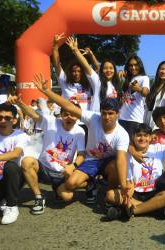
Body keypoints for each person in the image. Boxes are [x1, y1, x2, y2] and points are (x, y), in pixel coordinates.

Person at [32, 74, 130, 205]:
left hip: (108, 163)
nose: (107, 117)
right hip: (91, 160)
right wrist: (46, 91)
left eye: (111, 113)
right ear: (100, 113)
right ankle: (92, 183)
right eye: (104, 113)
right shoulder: (93, 118)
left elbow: (122, 159)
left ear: (117, 114)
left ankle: (109, 193)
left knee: (115, 167)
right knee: (71, 184)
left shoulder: (122, 134)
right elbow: (69, 106)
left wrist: (123, 185)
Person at [8, 94, 85, 215]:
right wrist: (19, 103)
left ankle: (58, 189)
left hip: (62, 171)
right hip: (43, 167)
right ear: (61, 115)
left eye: (73, 114)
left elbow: (81, 154)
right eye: (66, 114)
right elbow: (34, 115)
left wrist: (73, 166)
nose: (69, 117)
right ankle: (38, 197)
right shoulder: (51, 121)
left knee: (67, 196)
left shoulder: (79, 131)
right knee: (27, 162)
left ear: (78, 117)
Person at [105, 122, 165, 220]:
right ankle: (154, 208)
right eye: (139, 136)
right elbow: (129, 184)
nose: (142, 139)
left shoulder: (158, 148)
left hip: (154, 193)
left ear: (150, 138)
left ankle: (132, 211)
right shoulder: (127, 154)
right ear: (133, 137)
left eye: (145, 135)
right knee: (110, 195)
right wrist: (128, 197)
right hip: (135, 193)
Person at [51, 34, 93, 112]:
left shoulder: (88, 84)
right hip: (71, 122)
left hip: (87, 122)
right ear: (70, 73)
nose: (76, 73)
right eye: (73, 71)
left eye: (79, 71)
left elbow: (95, 69)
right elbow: (57, 65)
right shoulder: (65, 82)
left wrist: (91, 55)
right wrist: (55, 46)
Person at [119, 55, 150, 136]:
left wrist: (138, 89)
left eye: (136, 65)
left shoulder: (144, 78)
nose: (133, 67)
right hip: (121, 118)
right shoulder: (128, 79)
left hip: (134, 120)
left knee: (131, 146)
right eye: (131, 65)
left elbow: (145, 92)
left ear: (140, 65)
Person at [145, 61, 165, 129]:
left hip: (159, 123)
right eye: (162, 69)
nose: (163, 71)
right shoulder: (153, 86)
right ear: (158, 70)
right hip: (147, 119)